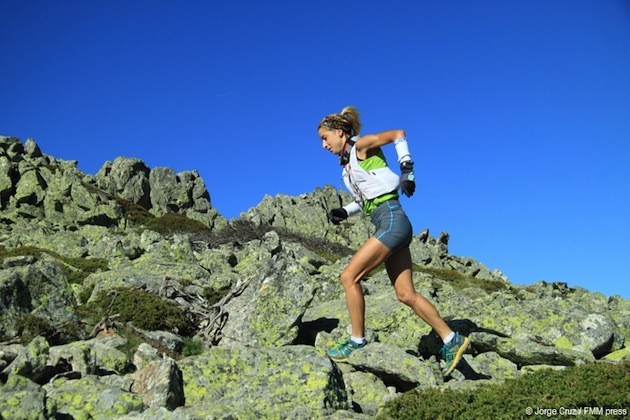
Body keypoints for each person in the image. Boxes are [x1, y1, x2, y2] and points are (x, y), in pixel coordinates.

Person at [317, 106, 470, 376]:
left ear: (340, 133)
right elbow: (369, 196)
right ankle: (451, 340)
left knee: (348, 277)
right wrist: (345, 211)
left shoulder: (361, 146)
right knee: (405, 294)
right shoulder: (347, 168)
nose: (323, 144)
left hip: (392, 221)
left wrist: (407, 171)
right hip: (390, 221)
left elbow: (398, 134)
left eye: (325, 138)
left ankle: (356, 341)